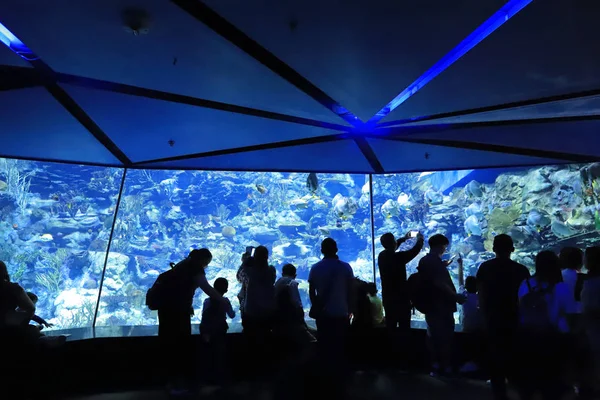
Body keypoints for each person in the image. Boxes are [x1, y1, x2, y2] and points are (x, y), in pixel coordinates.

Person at [150, 248, 222, 396]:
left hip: (167, 310)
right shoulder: (195, 267)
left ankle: (169, 382)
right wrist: (222, 301)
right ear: (203, 260)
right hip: (176, 313)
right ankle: (176, 385)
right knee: (179, 345)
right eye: (207, 263)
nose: (206, 267)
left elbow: (179, 289)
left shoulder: (183, 264)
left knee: (169, 343)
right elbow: (206, 287)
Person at [476, 234, 530, 400]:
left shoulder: (485, 267)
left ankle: (499, 394)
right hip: (514, 318)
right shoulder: (522, 269)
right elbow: (526, 298)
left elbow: (481, 294)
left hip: (493, 318)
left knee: (496, 358)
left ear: (493, 249)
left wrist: (484, 316)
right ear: (512, 249)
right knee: (515, 357)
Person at [514, 250, 574, 400]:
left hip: (528, 339)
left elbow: (520, 308)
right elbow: (569, 314)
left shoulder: (525, 284)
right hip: (552, 339)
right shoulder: (560, 287)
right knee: (551, 383)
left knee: (530, 383)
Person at [308, 238, 354, 396]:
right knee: (340, 344)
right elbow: (351, 289)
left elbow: (311, 290)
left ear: (321, 250)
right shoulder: (346, 267)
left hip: (323, 314)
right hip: (342, 311)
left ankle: (324, 378)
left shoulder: (315, 268)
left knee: (324, 343)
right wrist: (351, 308)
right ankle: (341, 378)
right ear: (336, 250)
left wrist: (316, 306)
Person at [417, 234, 465, 377]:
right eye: (444, 247)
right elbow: (439, 282)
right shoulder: (433, 261)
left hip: (431, 305)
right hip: (440, 305)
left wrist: (443, 265)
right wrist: (455, 296)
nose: (445, 249)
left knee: (433, 334)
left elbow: (430, 277)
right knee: (444, 336)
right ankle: (444, 366)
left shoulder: (427, 260)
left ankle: (435, 365)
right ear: (440, 246)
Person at [378, 232, 424, 332]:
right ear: (394, 242)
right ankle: (404, 346)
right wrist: (420, 239)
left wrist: (404, 238)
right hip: (402, 298)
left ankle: (391, 346)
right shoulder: (399, 257)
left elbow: (391, 248)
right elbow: (414, 251)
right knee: (404, 327)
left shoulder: (381, 256)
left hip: (388, 297)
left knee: (391, 326)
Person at [199, 277, 235, 385]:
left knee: (208, 354)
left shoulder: (207, 301)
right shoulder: (225, 301)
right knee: (219, 354)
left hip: (207, 332)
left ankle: (207, 378)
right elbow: (232, 315)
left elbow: (204, 316)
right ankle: (219, 378)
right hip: (220, 330)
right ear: (226, 290)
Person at [581, 246, 600, 398]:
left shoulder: (591, 282)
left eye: (586, 257)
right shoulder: (588, 280)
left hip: (593, 332)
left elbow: (589, 309)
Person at [459, 276, 483, 373]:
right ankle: (477, 365)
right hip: (478, 327)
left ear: (466, 286)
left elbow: (460, 283)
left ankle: (467, 365)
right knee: (476, 346)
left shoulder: (464, 296)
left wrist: (460, 265)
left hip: (467, 326)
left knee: (467, 347)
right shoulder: (480, 298)